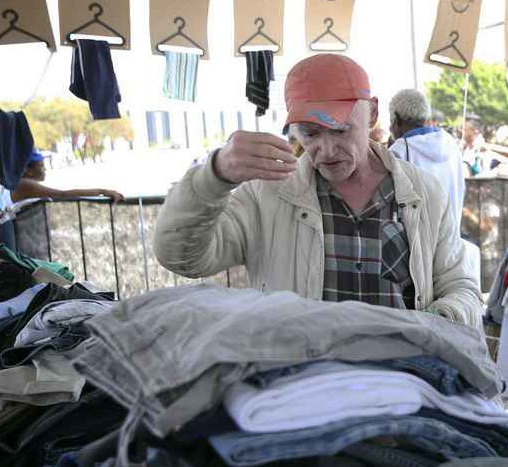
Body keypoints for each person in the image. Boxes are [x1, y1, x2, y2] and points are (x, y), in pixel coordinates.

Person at [153, 54, 482, 326]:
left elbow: (460, 286)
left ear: (374, 112)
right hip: (299, 387)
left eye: (340, 131)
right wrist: (214, 175)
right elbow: (182, 257)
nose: (325, 150)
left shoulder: (426, 194)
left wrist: (436, 320)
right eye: (310, 134)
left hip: (406, 386)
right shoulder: (264, 195)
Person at [0, 150, 123, 225]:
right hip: (25, 248)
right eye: (41, 166)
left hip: (11, 247)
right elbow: (62, 195)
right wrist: (103, 191)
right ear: (29, 170)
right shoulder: (24, 185)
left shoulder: (0, 188)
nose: (45, 169)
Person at [388, 88, 467, 231]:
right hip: (451, 244)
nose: (390, 128)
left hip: (417, 249)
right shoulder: (451, 144)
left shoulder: (398, 151)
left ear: (397, 120)